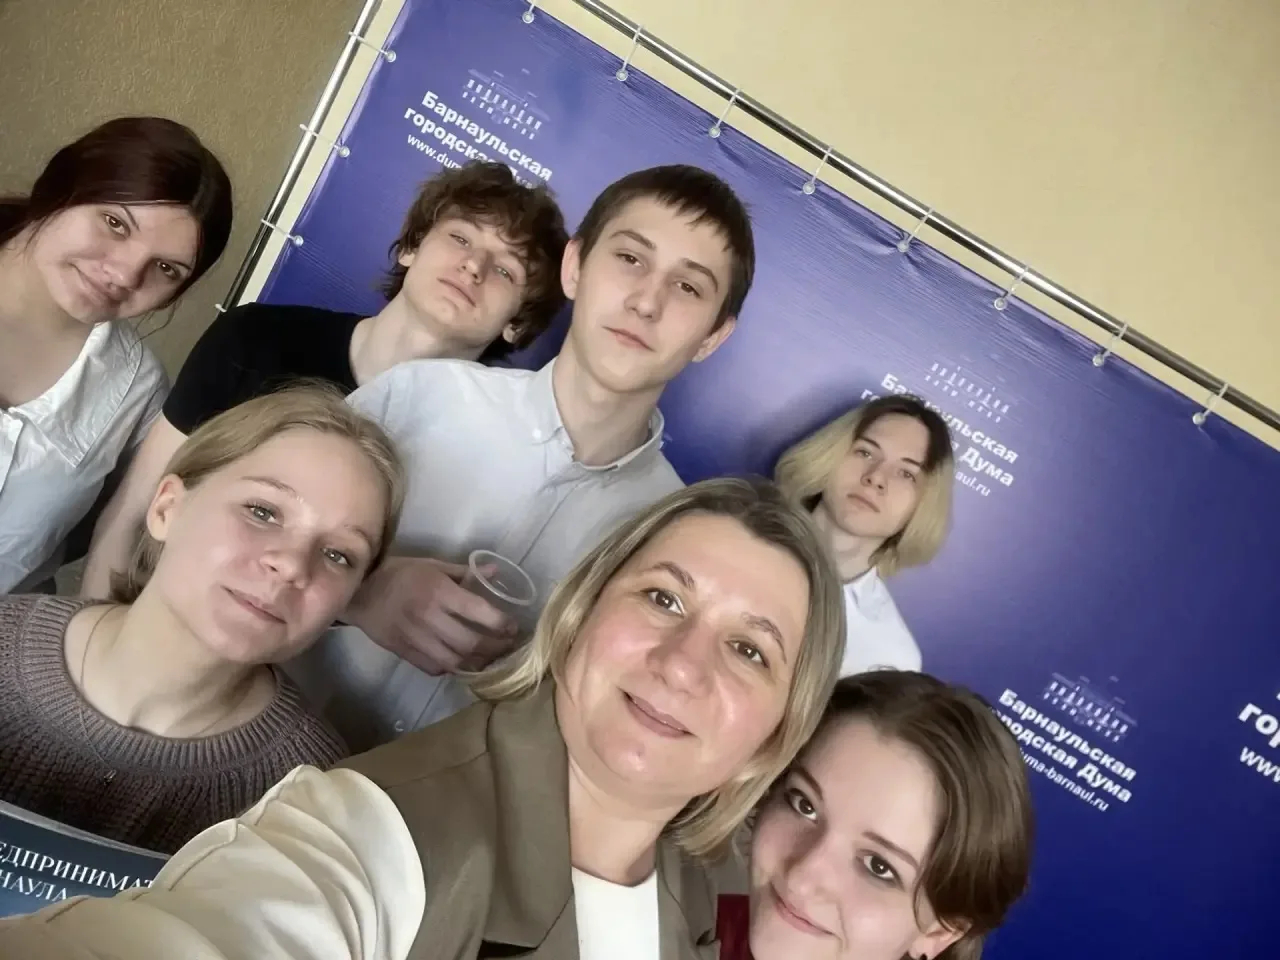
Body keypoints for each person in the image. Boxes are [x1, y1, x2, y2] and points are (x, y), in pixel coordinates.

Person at [0, 477, 845, 960]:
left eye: (750, 650)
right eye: (663, 598)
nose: (684, 663)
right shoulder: (373, 835)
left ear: (775, 732)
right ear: (579, 614)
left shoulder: (715, 888)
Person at [294, 163, 757, 749]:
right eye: (630, 258)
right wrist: (364, 591)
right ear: (575, 266)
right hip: (267, 753)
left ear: (713, 336)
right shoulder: (416, 395)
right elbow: (256, 545)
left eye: (688, 287)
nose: (647, 301)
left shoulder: (672, 535)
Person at [81, 160, 568, 598]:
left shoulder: (489, 454)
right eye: (460, 238)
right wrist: (93, 634)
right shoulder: (254, 336)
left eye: (506, 270)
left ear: (517, 324)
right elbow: (133, 510)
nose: (474, 266)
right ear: (411, 248)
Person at [0, 386, 404, 853]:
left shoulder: (309, 800)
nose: (293, 564)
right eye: (263, 512)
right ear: (166, 509)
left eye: (338, 555)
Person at [0, 116, 233, 594]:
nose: (126, 275)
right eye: (115, 223)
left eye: (166, 268)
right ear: (62, 185)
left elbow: (90, 535)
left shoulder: (136, 393)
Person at [717, 671, 1034, 960]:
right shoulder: (698, 920)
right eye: (804, 805)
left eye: (878, 866)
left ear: (938, 933)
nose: (801, 879)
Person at [774, 395, 954, 675]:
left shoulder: (891, 658)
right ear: (829, 454)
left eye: (906, 473)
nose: (876, 477)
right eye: (865, 453)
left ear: (924, 503)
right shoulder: (730, 538)